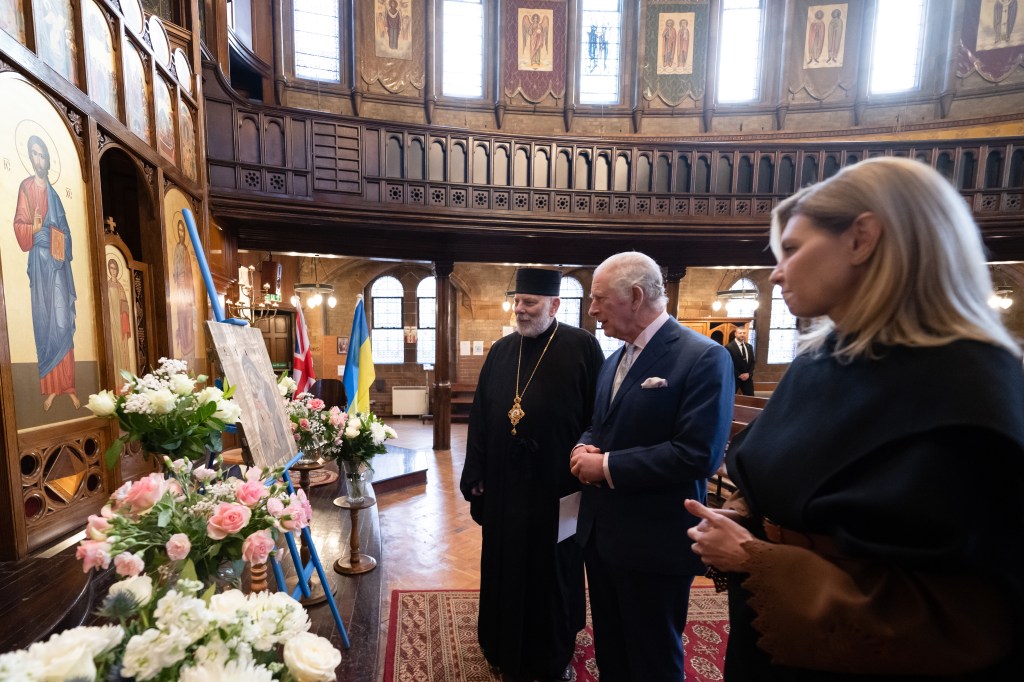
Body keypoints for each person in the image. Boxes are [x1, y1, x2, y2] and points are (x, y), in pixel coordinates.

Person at [685, 157, 1024, 681]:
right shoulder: (822, 361)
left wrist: (756, 559)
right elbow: (771, 470)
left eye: (792, 250)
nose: (776, 273)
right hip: (772, 641)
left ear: (862, 239)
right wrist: (744, 516)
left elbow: (966, 617)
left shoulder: (971, 386)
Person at [569, 252, 733, 680]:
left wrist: (606, 467)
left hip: (654, 542)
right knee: (613, 650)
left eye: (599, 298)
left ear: (636, 296)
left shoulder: (702, 357)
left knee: (653, 657)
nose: (592, 309)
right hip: (602, 537)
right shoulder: (614, 360)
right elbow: (599, 425)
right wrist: (586, 446)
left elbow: (699, 454)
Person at [460, 268, 604, 682]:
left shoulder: (583, 348)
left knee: (553, 567)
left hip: (558, 484)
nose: (520, 310)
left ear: (554, 305)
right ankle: (499, 642)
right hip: (505, 485)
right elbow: (483, 417)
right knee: (504, 561)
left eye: (531, 303)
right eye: (518, 301)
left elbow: (598, 416)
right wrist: (476, 471)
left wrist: (587, 459)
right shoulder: (502, 350)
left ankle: (551, 651)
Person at [13, 135, 80, 411]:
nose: (39, 160)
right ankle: (51, 388)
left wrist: (54, 237)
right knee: (45, 323)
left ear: (48, 160)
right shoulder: (26, 189)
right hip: (40, 269)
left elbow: (68, 236)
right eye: (34, 155)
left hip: (58, 268)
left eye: (42, 155)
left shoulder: (54, 195)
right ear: (31, 158)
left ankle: (69, 386)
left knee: (63, 322)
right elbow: (19, 226)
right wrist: (36, 230)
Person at [726, 326, 755, 396]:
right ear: (735, 334)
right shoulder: (729, 347)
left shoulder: (749, 346)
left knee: (750, 400)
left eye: (744, 333)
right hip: (734, 378)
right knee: (731, 398)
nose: (742, 335)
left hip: (747, 378)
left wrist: (749, 374)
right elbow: (728, 364)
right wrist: (739, 375)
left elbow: (752, 362)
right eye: (740, 333)